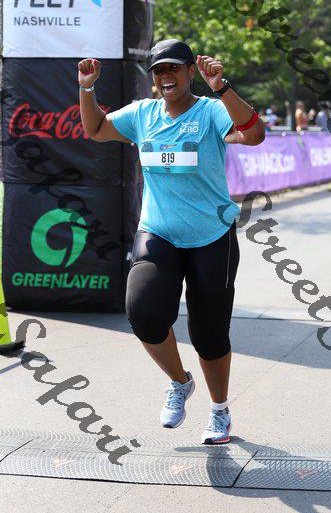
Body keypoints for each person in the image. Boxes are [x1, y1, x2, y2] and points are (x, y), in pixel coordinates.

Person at [78, 39, 265, 444]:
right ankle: (180, 382)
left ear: (190, 72)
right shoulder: (142, 114)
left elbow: (254, 135)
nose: (166, 76)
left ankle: (219, 410)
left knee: (209, 335)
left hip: (211, 235)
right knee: (143, 314)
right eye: (159, 70)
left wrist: (222, 87)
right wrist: (87, 88)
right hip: (158, 231)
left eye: (173, 69)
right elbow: (95, 129)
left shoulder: (211, 110)